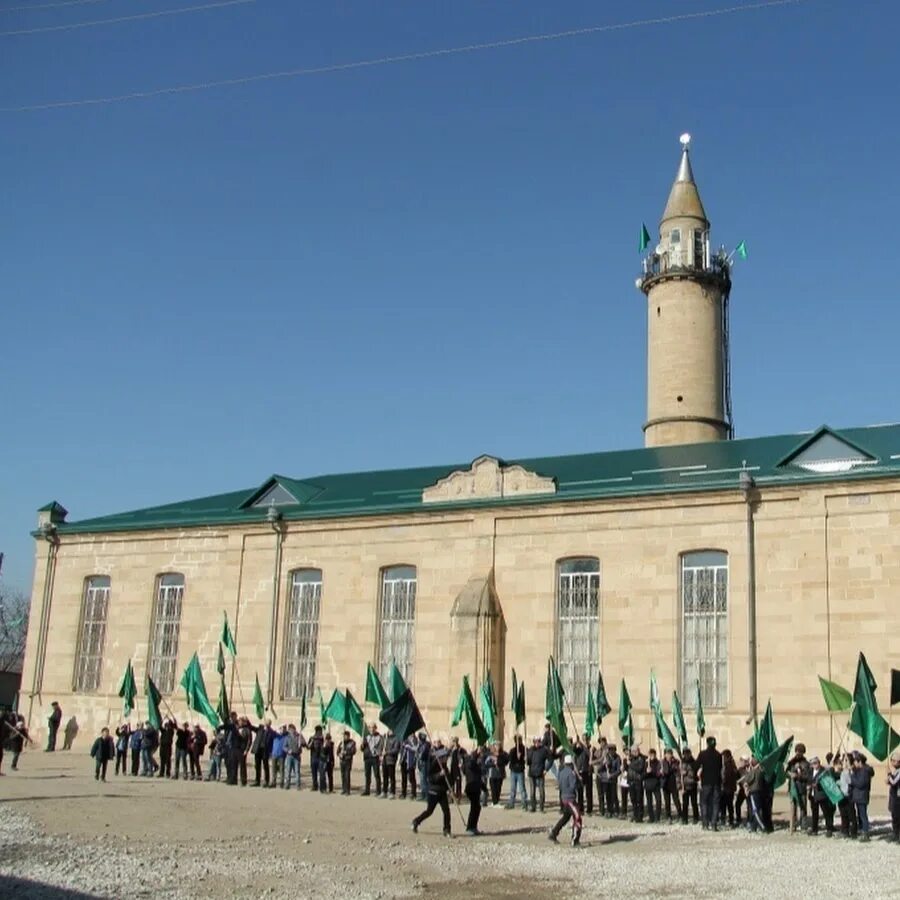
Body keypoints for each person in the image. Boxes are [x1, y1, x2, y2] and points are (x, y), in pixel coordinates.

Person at [412, 739, 451, 837]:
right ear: (441, 757)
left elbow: (448, 779)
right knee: (429, 811)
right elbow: (430, 778)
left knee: (446, 811)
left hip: (442, 791)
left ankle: (446, 830)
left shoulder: (445, 766)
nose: (446, 758)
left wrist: (449, 788)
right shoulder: (434, 765)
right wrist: (439, 774)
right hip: (433, 791)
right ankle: (416, 821)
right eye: (445, 757)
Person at [548, 755, 582, 846]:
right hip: (570, 799)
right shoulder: (571, 773)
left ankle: (554, 832)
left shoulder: (561, 772)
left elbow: (559, 785)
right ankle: (575, 840)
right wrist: (578, 780)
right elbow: (573, 786)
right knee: (577, 817)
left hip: (563, 798)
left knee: (565, 818)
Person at [696, 736, 722, 831]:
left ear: (707, 743)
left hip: (706, 782)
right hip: (716, 783)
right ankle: (714, 824)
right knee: (715, 804)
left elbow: (696, 766)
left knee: (704, 803)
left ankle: (705, 824)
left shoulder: (702, 754)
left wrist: (697, 777)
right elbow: (720, 768)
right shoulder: (719, 755)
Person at [850, 752, 875, 841]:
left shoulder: (865, 771)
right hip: (858, 796)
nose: (854, 763)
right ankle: (863, 831)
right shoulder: (860, 770)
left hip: (862, 796)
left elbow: (860, 784)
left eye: (855, 761)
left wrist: (852, 777)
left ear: (860, 761)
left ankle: (866, 833)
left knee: (863, 815)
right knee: (860, 815)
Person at [787, 743, 811, 833]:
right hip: (793, 789)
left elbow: (807, 777)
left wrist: (797, 776)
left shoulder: (806, 764)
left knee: (803, 807)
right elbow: (786, 772)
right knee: (793, 808)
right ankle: (793, 825)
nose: (798, 753)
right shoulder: (791, 762)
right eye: (797, 751)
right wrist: (789, 774)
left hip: (801, 788)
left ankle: (803, 825)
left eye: (800, 752)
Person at [808, 756, 834, 837]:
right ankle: (814, 829)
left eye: (816, 763)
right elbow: (808, 779)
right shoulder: (810, 771)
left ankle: (829, 829)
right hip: (812, 795)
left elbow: (827, 782)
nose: (815, 765)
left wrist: (818, 784)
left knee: (826, 813)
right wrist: (808, 785)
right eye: (813, 763)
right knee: (814, 814)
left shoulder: (824, 771)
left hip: (821, 795)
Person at [526, 736, 549, 813]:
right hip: (532, 773)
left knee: (541, 791)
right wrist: (526, 759)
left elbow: (550, 759)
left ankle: (541, 807)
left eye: (538, 741)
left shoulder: (544, 750)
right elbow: (528, 762)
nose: (536, 743)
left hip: (540, 772)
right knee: (532, 791)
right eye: (535, 742)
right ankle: (533, 807)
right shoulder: (530, 749)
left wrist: (546, 769)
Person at [464, 746, 483, 836]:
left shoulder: (474, 762)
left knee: (477, 807)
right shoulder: (469, 761)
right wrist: (475, 754)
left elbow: (478, 776)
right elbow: (470, 765)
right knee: (474, 808)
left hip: (476, 787)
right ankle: (470, 827)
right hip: (471, 788)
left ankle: (473, 827)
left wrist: (483, 787)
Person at [251, 719, 275, 787]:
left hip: (265, 750)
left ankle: (266, 781)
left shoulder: (271, 732)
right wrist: (247, 721)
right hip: (258, 750)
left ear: (270, 724)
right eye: (266, 723)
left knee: (265, 766)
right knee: (257, 766)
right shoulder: (260, 729)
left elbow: (272, 743)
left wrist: (271, 752)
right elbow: (252, 728)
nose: (267, 724)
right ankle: (257, 781)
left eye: (269, 723)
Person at [507, 735, 527, 810]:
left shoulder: (524, 749)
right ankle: (511, 803)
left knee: (522, 788)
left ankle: (524, 803)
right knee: (512, 788)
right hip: (513, 771)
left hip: (520, 771)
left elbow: (526, 759)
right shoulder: (513, 750)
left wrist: (521, 757)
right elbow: (510, 760)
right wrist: (516, 758)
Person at [661, 748, 682, 823]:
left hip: (673, 783)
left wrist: (673, 763)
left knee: (676, 800)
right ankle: (668, 816)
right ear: (665, 755)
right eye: (667, 754)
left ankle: (680, 814)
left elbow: (677, 768)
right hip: (665, 784)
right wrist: (661, 772)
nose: (669, 755)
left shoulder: (675, 761)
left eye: (670, 754)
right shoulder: (662, 762)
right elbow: (665, 772)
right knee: (667, 802)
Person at [363, 724, 384, 796]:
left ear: (375, 728)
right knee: (367, 775)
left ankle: (378, 791)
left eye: (373, 728)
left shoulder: (379, 737)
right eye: (370, 728)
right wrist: (362, 746)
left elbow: (381, 746)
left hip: (375, 757)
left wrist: (378, 752)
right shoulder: (366, 737)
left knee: (377, 774)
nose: (371, 729)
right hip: (367, 758)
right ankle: (367, 790)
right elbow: (363, 748)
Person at [679, 747, 699, 824]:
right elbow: (678, 775)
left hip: (692, 784)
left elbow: (695, 774)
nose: (686, 755)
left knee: (694, 803)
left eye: (688, 753)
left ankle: (696, 818)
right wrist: (680, 786)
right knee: (685, 804)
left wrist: (686, 772)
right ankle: (684, 819)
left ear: (690, 754)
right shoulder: (681, 762)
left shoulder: (694, 762)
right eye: (685, 754)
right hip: (685, 786)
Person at [627, 746, 646, 823]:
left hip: (638, 781)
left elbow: (639, 768)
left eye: (636, 751)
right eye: (633, 751)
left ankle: (640, 816)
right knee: (633, 800)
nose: (635, 752)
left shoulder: (641, 759)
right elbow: (628, 769)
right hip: (631, 781)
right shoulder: (631, 759)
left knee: (639, 800)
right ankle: (635, 815)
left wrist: (630, 764)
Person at [486, 741, 508, 807]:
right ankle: (494, 802)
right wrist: (493, 763)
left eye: (498, 745)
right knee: (493, 789)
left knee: (498, 788)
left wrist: (498, 761)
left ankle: (497, 801)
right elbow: (486, 763)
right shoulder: (490, 754)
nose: (497, 747)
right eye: (496, 745)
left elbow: (506, 762)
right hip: (492, 774)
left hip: (500, 774)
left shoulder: (503, 754)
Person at [720, 748, 738, 828]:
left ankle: (730, 821)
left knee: (729, 806)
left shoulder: (730, 765)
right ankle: (724, 820)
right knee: (724, 806)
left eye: (724, 756)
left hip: (728, 788)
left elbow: (727, 777)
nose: (722, 758)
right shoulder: (725, 765)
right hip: (725, 789)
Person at [575, 734, 593, 814]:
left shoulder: (591, 748)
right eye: (584, 739)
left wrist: (583, 745)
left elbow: (589, 754)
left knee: (589, 792)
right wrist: (576, 742)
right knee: (580, 791)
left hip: (587, 772)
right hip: (580, 772)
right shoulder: (579, 749)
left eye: (586, 739)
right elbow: (572, 750)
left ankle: (589, 809)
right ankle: (580, 808)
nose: (585, 741)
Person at [644, 748, 662, 823]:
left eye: (653, 754)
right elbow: (643, 775)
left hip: (656, 784)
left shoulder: (658, 763)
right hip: (648, 785)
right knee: (649, 802)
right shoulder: (646, 763)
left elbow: (658, 773)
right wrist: (647, 772)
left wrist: (653, 772)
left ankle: (657, 816)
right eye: (650, 754)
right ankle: (651, 817)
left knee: (658, 800)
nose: (652, 756)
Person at [382, 730, 400, 798]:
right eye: (389, 729)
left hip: (391, 760)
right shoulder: (385, 738)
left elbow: (396, 750)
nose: (390, 731)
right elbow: (381, 747)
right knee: (385, 777)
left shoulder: (396, 739)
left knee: (391, 777)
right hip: (384, 760)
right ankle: (384, 791)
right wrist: (381, 752)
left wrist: (387, 752)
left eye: (391, 730)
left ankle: (392, 792)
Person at [283, 723, 301, 789]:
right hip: (289, 756)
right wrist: (288, 750)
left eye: (293, 729)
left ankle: (298, 785)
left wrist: (300, 745)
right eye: (290, 730)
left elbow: (303, 744)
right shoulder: (287, 737)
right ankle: (287, 784)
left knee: (297, 771)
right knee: (288, 771)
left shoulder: (298, 736)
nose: (292, 731)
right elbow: (284, 747)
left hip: (296, 756)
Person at [887, 753, 900, 843]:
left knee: (898, 817)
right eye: (893, 761)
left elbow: (894, 782)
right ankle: (895, 834)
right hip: (894, 796)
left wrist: (889, 775)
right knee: (894, 817)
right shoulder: (895, 771)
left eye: (897, 761)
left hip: (898, 797)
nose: (895, 763)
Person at [308, 725, 326, 791]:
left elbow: (324, 748)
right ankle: (314, 786)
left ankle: (322, 787)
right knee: (314, 773)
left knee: (322, 773)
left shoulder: (322, 739)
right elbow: (308, 747)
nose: (321, 732)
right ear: (317, 731)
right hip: (313, 757)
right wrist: (312, 741)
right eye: (320, 731)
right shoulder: (312, 738)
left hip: (320, 758)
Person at [339, 730, 357, 795]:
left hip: (348, 761)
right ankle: (343, 789)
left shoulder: (352, 743)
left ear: (348, 736)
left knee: (347, 775)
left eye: (346, 736)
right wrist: (339, 754)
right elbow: (338, 751)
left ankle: (347, 790)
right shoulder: (342, 743)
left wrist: (346, 752)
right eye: (344, 736)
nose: (345, 737)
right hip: (342, 761)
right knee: (342, 775)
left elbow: (353, 751)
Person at [400, 733, 418, 799]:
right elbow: (401, 748)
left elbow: (416, 749)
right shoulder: (404, 738)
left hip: (411, 761)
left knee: (412, 778)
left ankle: (413, 793)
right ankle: (403, 793)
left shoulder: (415, 739)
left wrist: (409, 747)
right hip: (404, 761)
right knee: (403, 779)